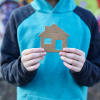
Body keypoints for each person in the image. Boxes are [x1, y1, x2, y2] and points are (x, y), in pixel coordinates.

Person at [1, 0, 100, 100]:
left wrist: (84, 69)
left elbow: (96, 71)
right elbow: (5, 69)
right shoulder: (18, 17)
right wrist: (21, 68)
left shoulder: (87, 19)